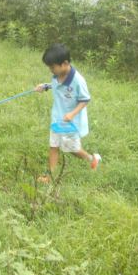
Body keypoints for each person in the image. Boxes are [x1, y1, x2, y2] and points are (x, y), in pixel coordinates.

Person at [35, 44, 101, 183]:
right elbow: (56, 84)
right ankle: (50, 176)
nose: (51, 70)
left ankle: (92, 159)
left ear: (65, 63)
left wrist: (72, 113)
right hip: (57, 118)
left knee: (72, 148)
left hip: (71, 122)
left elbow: (85, 99)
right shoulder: (56, 75)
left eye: (52, 67)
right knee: (54, 146)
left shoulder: (78, 80)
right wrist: (45, 86)